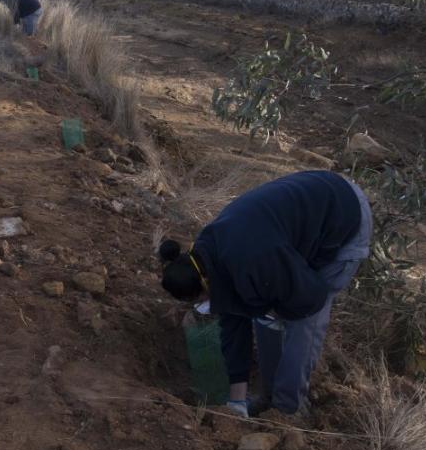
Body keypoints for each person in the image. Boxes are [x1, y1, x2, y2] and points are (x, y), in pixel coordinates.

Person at [158, 171, 372, 419]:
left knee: (302, 321)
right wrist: (235, 400)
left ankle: (288, 410)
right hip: (301, 222)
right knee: (264, 313)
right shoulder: (207, 255)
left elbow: (310, 299)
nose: (204, 305)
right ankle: (269, 397)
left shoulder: (255, 261)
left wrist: (276, 310)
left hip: (344, 215)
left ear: (204, 285)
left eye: (199, 300)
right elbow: (233, 319)